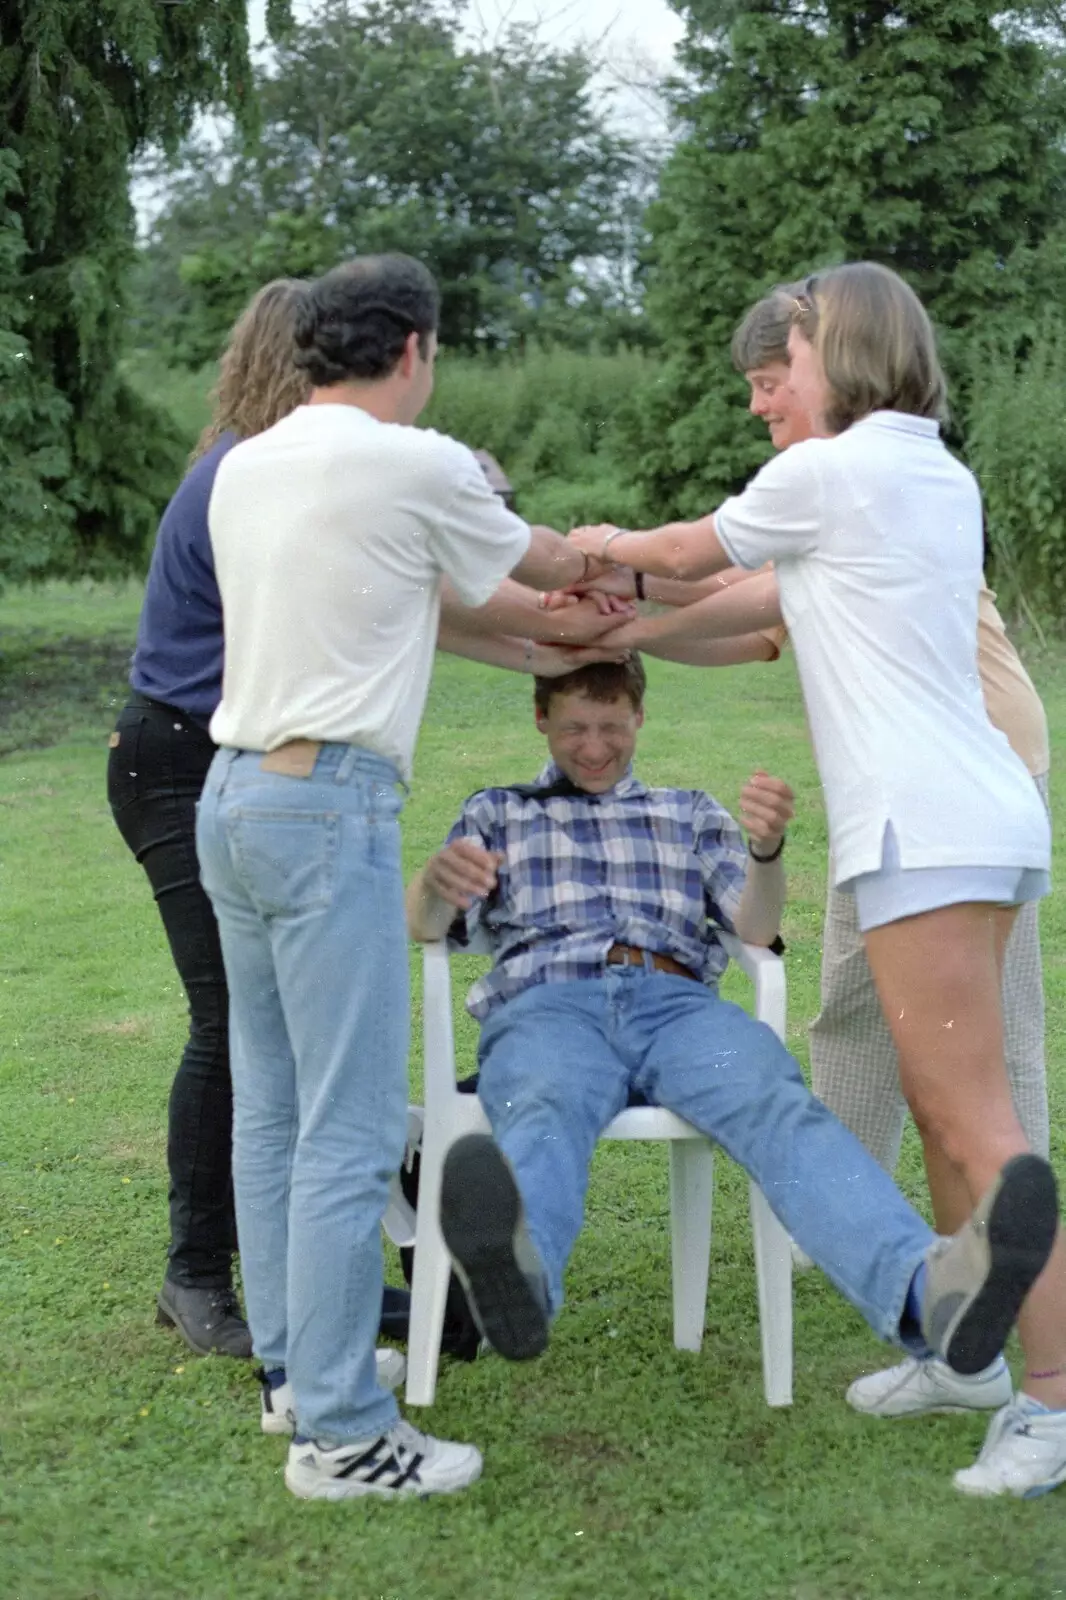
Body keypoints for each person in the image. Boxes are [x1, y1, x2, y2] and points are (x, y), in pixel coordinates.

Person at [566, 263, 1066, 1498]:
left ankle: (1054, 1399)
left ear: (842, 348)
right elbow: (749, 603)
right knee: (944, 1100)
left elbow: (688, 552)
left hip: (928, 829)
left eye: (785, 355)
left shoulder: (831, 472)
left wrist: (594, 550)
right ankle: (967, 1358)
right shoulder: (924, 471)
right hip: (974, 816)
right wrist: (626, 623)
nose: (762, 397)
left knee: (976, 1119)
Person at [108, 278, 630, 1362]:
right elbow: (526, 567)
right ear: (411, 350)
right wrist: (608, 573)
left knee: (274, 1098)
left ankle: (299, 1362)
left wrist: (559, 637)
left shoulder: (254, 469)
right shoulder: (387, 462)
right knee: (323, 1105)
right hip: (275, 786)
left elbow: (426, 609)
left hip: (235, 785)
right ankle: (316, 1387)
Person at [406, 655, 1056, 1495]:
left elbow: (756, 925)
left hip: (680, 1010)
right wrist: (430, 885)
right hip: (549, 1006)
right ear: (541, 721)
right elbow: (427, 929)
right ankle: (521, 1281)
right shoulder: (498, 813)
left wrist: (766, 850)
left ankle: (928, 1291)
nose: (594, 746)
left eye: (611, 726)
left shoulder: (687, 814)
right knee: (541, 1104)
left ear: (639, 718)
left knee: (780, 1110)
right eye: (574, 728)